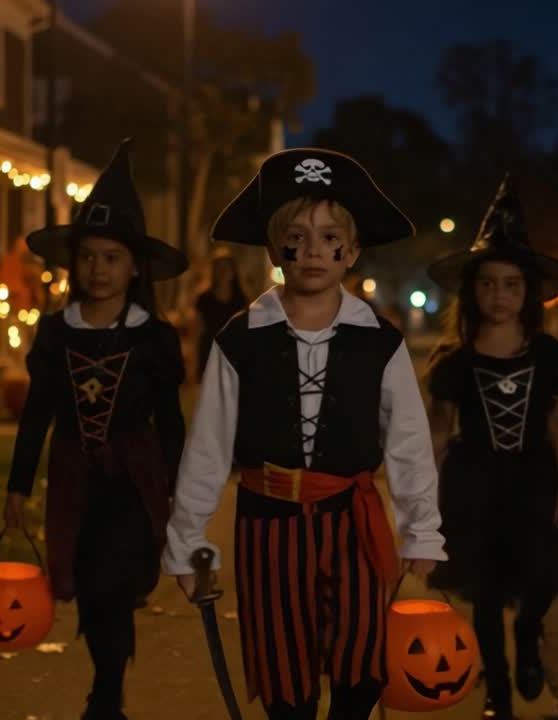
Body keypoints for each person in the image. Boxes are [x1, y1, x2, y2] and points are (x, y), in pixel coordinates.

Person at [164, 148, 446, 719]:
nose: (313, 250)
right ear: (275, 250)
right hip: (267, 524)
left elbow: (409, 444)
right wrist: (189, 540)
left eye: (329, 237)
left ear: (353, 250)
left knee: (361, 668)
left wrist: (422, 532)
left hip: (352, 520)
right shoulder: (240, 339)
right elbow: (209, 448)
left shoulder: (378, 341)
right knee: (284, 679)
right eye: (297, 236)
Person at [2, 139, 189, 720]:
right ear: (72, 264)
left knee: (114, 582)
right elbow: (37, 412)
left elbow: (171, 417)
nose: (98, 269)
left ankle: (104, 699)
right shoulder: (57, 334)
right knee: (88, 582)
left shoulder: (152, 338)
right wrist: (18, 487)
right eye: (88, 257)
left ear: (134, 267)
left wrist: (184, 490)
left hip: (133, 481)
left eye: (112, 258)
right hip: (75, 478)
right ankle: (107, 689)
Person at [423, 177, 558, 720]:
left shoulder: (550, 356)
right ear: (472, 292)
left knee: (537, 580)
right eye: (488, 285)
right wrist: (423, 500)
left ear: (528, 294)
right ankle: (498, 691)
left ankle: (530, 637)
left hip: (534, 481)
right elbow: (440, 429)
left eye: (511, 285)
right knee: (485, 592)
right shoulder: (455, 362)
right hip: (473, 484)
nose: (499, 296)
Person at [191, 248, 248, 382]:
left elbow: (245, 331)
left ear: (233, 271)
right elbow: (196, 330)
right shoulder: (204, 298)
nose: (223, 272)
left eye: (226, 268)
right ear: (213, 271)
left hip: (233, 352)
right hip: (209, 351)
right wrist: (193, 362)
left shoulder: (241, 299)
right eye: (219, 268)